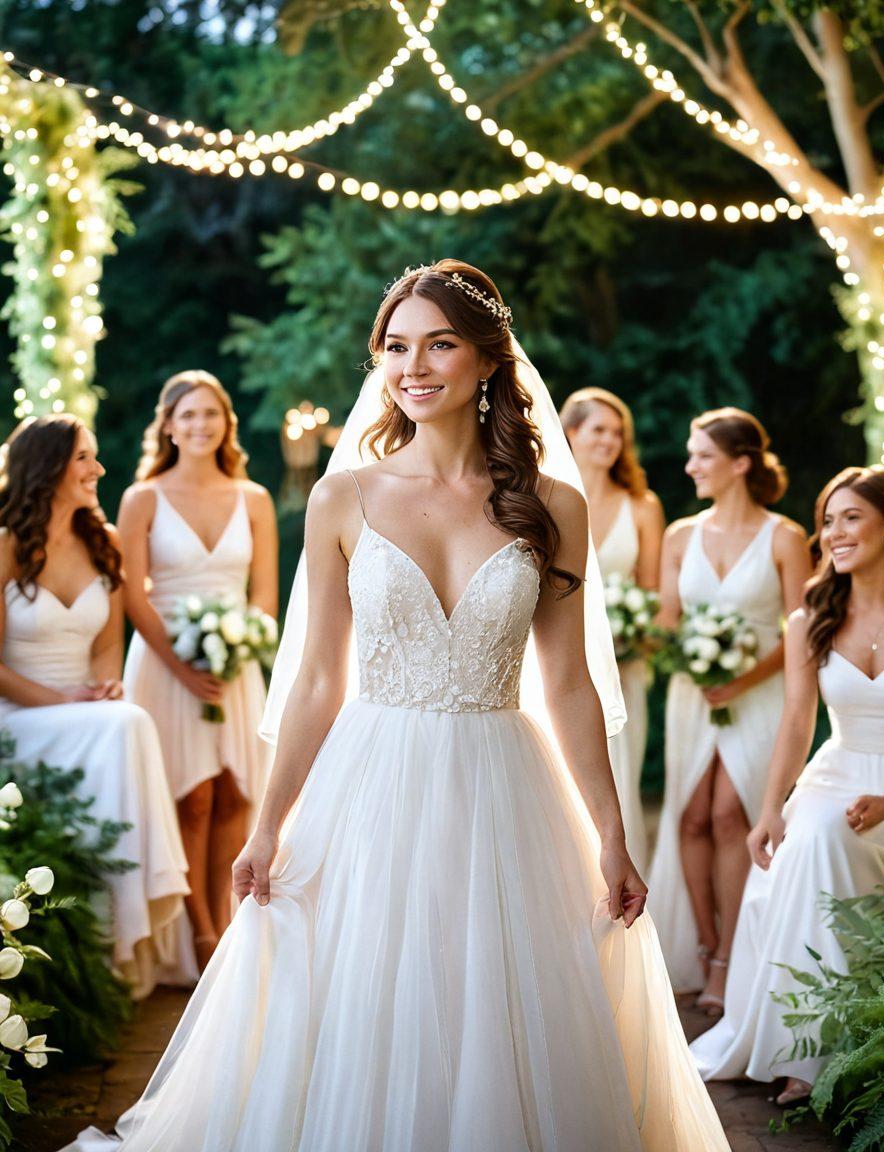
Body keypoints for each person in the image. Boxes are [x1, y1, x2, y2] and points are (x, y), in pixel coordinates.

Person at [63, 261, 729, 1152]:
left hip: (506, 783)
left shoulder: (553, 504)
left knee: (499, 1000)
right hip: (371, 782)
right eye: (396, 347)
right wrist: (268, 826)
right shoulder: (344, 497)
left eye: (440, 344)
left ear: (490, 360)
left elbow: (567, 682)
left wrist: (610, 832)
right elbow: (316, 681)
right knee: (367, 997)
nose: (413, 366)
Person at [690, 467, 884, 1104]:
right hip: (837, 771)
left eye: (851, 518)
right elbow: (797, 721)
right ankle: (807, 1050)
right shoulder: (810, 619)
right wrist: (770, 810)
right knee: (810, 838)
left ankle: (833, 1046)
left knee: (830, 834)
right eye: (827, 520)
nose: (833, 532)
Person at [0, 416, 189, 999]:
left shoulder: (101, 540)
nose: (97, 470)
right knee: (126, 724)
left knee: (125, 717)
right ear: (49, 465)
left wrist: (105, 686)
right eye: (85, 458)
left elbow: (108, 645)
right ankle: (126, 923)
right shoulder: (6, 541)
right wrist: (66, 700)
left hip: (86, 711)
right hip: (18, 711)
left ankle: (124, 930)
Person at [648, 409, 812, 1008]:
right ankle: (705, 947)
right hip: (695, 695)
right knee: (690, 816)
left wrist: (745, 677)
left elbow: (803, 631)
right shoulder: (680, 536)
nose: (690, 466)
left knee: (728, 817)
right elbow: (669, 621)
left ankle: (731, 961)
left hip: (761, 695)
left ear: (740, 463)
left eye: (702, 456)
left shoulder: (786, 537)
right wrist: (679, 653)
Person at [117, 371, 277, 972]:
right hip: (164, 665)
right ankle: (198, 935)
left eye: (211, 414)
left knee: (236, 795)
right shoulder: (143, 498)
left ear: (226, 423)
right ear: (167, 425)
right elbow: (133, 596)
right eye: (187, 415)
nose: (200, 425)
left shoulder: (254, 498)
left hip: (234, 669)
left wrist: (240, 648)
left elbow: (263, 594)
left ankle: (233, 927)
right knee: (191, 799)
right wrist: (184, 670)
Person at [561, 388, 664, 872]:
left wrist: (630, 637)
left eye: (618, 432)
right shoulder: (543, 495)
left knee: (619, 780)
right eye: (599, 429)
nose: (610, 441)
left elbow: (653, 596)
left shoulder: (642, 507)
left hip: (626, 670)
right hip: (556, 665)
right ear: (571, 431)